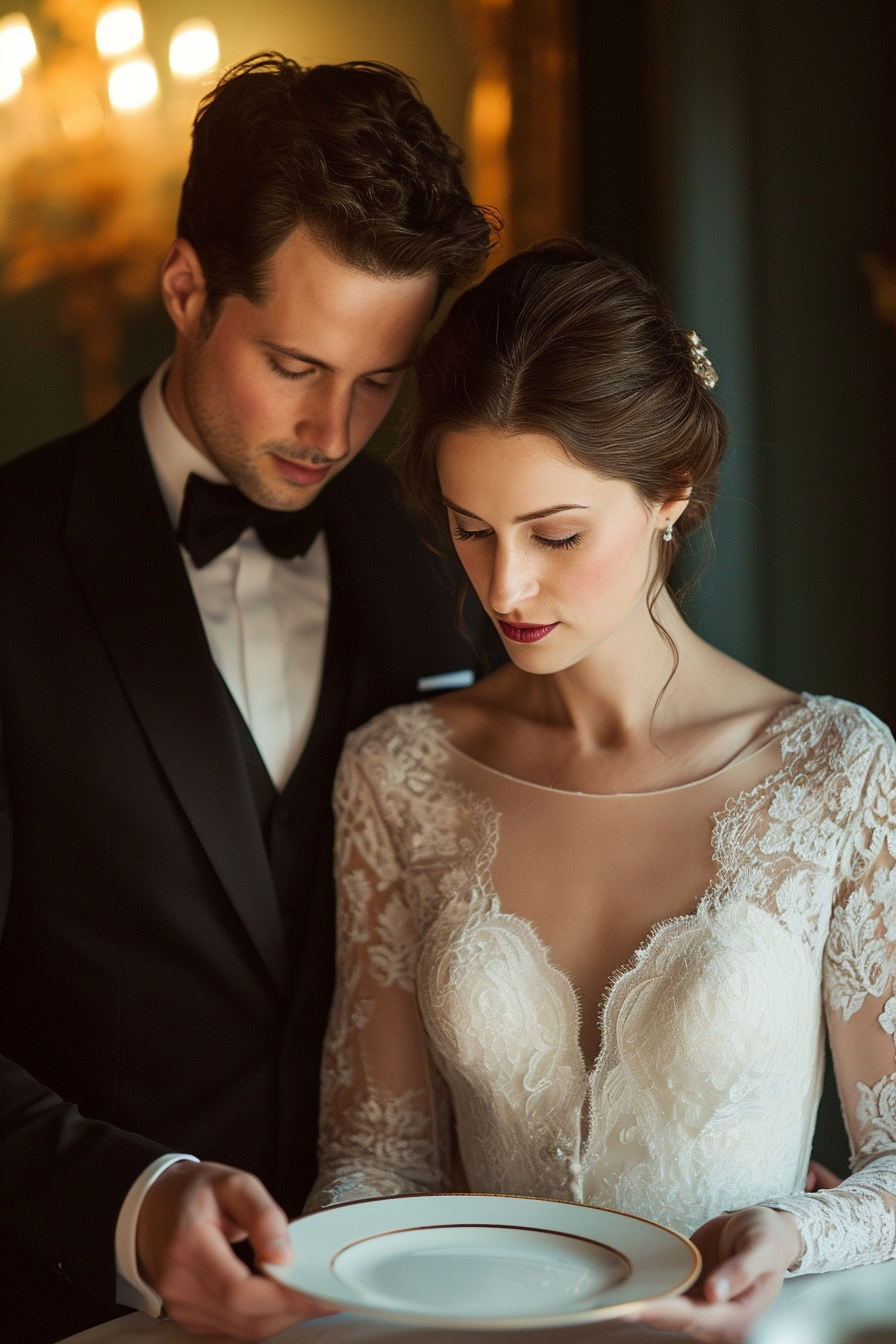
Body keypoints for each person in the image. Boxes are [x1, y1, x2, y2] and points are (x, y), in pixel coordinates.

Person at [310, 241, 896, 1342]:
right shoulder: (395, 772)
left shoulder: (834, 768)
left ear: (669, 492)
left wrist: (791, 1232)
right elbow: (371, 1169)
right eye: (470, 529)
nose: (504, 586)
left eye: (555, 532)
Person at [0, 53, 500, 1344]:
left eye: (379, 380)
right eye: (294, 361)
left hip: (410, 1300)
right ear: (184, 287)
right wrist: (132, 1201)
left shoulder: (456, 566)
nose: (333, 431)